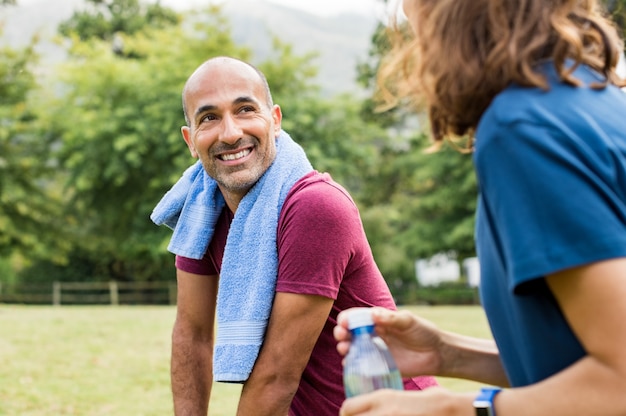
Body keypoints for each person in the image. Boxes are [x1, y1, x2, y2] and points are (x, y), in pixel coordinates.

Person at [334, 0, 626, 415]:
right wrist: (448, 354)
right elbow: (578, 358)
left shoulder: (522, 129)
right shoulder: (585, 92)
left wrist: (455, 409)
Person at [150, 56, 437, 416]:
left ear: (275, 120)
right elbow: (192, 335)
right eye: (209, 118)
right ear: (191, 140)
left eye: (245, 110)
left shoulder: (316, 207)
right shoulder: (202, 205)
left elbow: (276, 377)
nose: (230, 133)